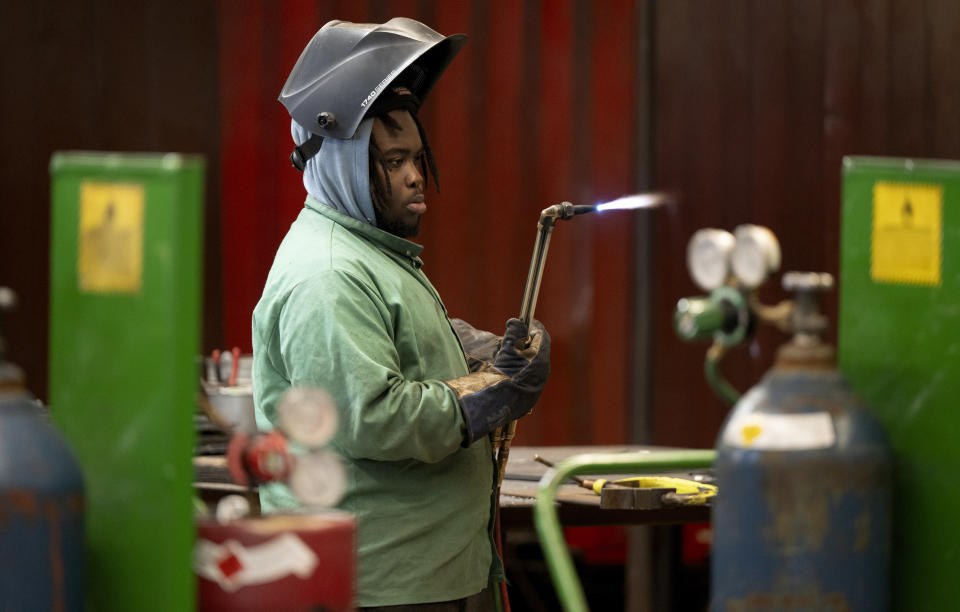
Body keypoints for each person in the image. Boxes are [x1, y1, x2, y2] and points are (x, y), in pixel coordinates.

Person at [251, 18, 551, 610]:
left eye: (416, 156)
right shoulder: (329, 273)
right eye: (392, 161)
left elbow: (388, 337)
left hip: (420, 577)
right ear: (339, 163)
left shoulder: (368, 251)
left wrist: (470, 346)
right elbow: (375, 418)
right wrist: (492, 392)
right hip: (378, 585)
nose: (416, 175)